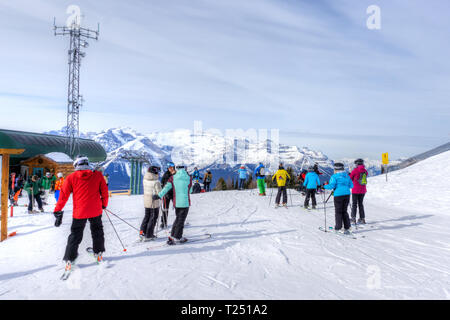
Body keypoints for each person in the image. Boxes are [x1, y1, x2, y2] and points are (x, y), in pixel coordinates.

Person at [53, 156, 109, 271]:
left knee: (75, 234)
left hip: (80, 211)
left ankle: (70, 258)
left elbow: (63, 196)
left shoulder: (71, 178)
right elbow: (104, 192)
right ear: (88, 164)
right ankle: (98, 252)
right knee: (97, 231)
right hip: (95, 210)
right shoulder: (98, 175)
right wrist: (104, 204)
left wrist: (57, 210)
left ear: (76, 165)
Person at [153, 165, 193, 245]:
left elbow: (166, 187)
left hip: (177, 202)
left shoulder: (173, 178)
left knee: (178, 218)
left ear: (177, 169)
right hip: (185, 202)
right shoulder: (189, 178)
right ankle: (177, 237)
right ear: (185, 169)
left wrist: (159, 195)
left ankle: (173, 235)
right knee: (181, 220)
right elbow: (190, 191)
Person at [324, 163, 353, 234]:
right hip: (347, 194)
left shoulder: (334, 176)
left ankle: (338, 228)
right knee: (344, 211)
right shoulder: (347, 176)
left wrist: (324, 186)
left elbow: (332, 185)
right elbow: (351, 185)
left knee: (338, 212)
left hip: (338, 195)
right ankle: (347, 227)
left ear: (336, 169)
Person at [141, 166, 162, 241]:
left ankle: (142, 233)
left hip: (146, 201)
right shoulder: (156, 182)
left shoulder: (145, 179)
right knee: (153, 218)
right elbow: (160, 193)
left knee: (147, 216)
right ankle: (149, 235)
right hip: (154, 202)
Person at [349, 158, 368, 224]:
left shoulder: (355, 170)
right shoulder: (365, 171)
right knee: (361, 204)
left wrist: (350, 173)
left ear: (356, 164)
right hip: (363, 190)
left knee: (354, 204)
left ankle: (353, 219)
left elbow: (350, 179)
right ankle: (362, 219)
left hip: (355, 190)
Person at [160, 162, 176, 228]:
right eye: (169, 168)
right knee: (165, 209)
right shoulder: (166, 174)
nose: (171, 169)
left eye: (172, 167)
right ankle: (164, 222)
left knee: (177, 207)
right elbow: (162, 183)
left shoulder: (176, 174)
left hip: (174, 194)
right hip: (166, 194)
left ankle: (178, 221)